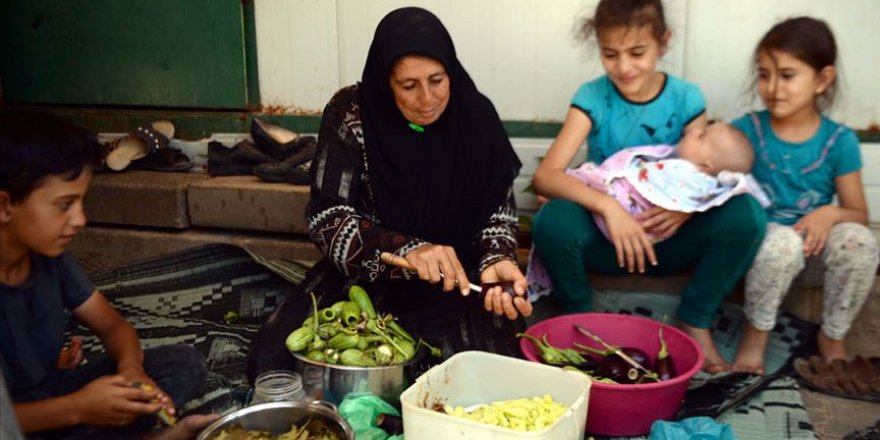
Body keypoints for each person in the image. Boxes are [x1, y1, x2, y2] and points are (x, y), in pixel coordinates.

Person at [247, 7, 531, 381]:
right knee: (275, 362)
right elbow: (326, 216)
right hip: (365, 275)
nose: (427, 98)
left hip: (455, 281)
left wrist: (496, 257)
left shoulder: (475, 116)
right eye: (408, 85)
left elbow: (497, 214)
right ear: (385, 81)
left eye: (437, 80)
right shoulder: (351, 114)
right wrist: (405, 249)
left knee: (484, 375)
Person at [529, 0, 767, 373]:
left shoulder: (686, 98)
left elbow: (706, 170)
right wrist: (607, 207)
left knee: (747, 214)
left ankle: (695, 317)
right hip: (608, 240)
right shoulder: (593, 97)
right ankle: (579, 315)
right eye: (610, 54)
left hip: (669, 239)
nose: (623, 67)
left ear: (663, 42)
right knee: (553, 218)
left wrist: (687, 209)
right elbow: (546, 176)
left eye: (637, 52)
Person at [0, 109, 216, 440]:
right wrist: (80, 407)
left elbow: (113, 326)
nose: (80, 219)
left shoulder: (49, 259)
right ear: (4, 205)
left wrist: (132, 371)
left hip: (49, 396)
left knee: (180, 364)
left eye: (81, 202)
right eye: (64, 205)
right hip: (15, 421)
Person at [730, 17, 879, 375]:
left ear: (822, 79)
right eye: (764, 74)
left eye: (787, 75)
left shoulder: (838, 141)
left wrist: (830, 214)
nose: (772, 87)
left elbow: (858, 211)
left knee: (860, 241)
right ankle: (755, 336)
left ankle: (832, 335)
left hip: (814, 254)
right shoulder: (747, 130)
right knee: (781, 245)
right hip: (762, 252)